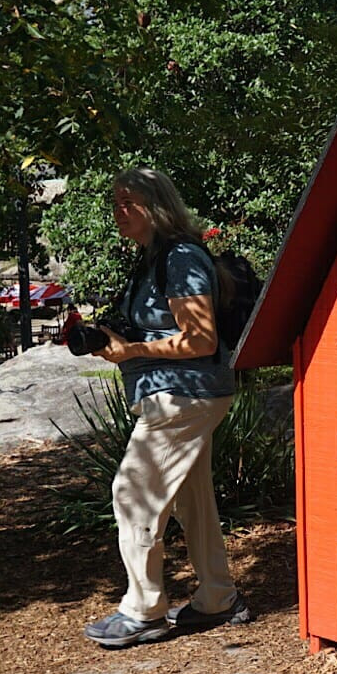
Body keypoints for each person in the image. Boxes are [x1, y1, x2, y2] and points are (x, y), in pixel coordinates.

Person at [84, 167, 251, 647]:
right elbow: (166, 330)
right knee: (191, 502)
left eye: (128, 201)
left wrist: (133, 351)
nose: (119, 210)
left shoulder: (179, 258)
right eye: (115, 200)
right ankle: (218, 598)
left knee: (132, 493)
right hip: (181, 391)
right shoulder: (155, 257)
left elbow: (200, 339)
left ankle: (144, 611)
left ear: (155, 206)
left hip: (184, 395)